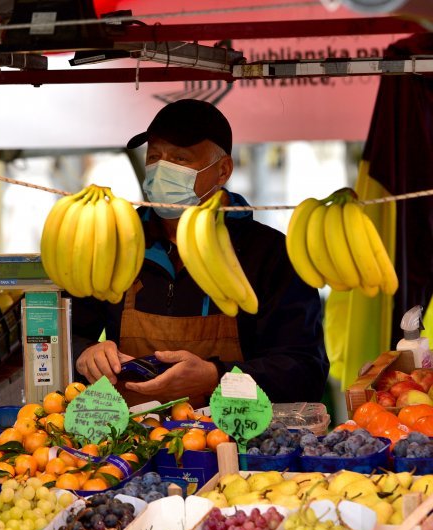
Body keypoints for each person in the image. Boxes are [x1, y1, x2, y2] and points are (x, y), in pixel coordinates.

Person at [72, 99, 329, 407]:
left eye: (180, 158)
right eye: (154, 157)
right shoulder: (113, 245)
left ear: (222, 171)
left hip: (235, 443)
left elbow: (304, 369)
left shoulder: (271, 254)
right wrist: (84, 352)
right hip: (130, 443)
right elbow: (59, 334)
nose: (161, 169)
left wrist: (216, 377)